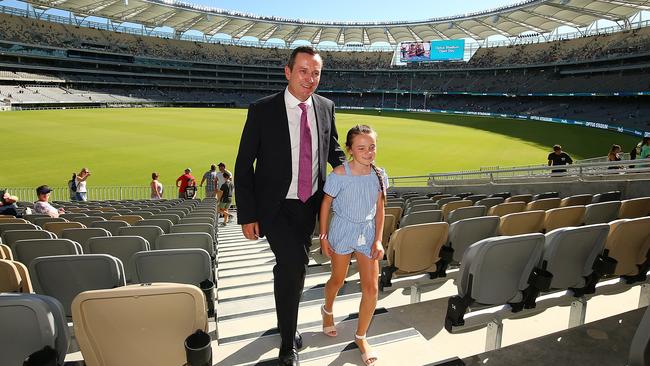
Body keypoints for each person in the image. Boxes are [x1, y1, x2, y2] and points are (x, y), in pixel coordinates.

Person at [235, 46, 346, 366]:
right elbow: (244, 165)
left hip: (310, 205)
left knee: (293, 269)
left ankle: (287, 323)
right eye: (303, 71)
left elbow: (333, 150)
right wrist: (248, 214)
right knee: (294, 264)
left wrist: (355, 170)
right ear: (287, 72)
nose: (310, 79)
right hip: (275, 207)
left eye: (316, 73)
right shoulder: (262, 110)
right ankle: (288, 342)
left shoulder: (326, 107)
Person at [319, 125, 386, 366]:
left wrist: (378, 239)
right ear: (350, 149)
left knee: (372, 288)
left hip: (367, 233)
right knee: (337, 280)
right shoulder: (339, 174)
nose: (368, 152)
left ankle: (361, 337)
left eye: (372, 147)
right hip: (343, 232)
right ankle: (327, 310)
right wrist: (324, 236)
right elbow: (326, 204)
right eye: (361, 148)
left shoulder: (380, 175)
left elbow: (380, 210)